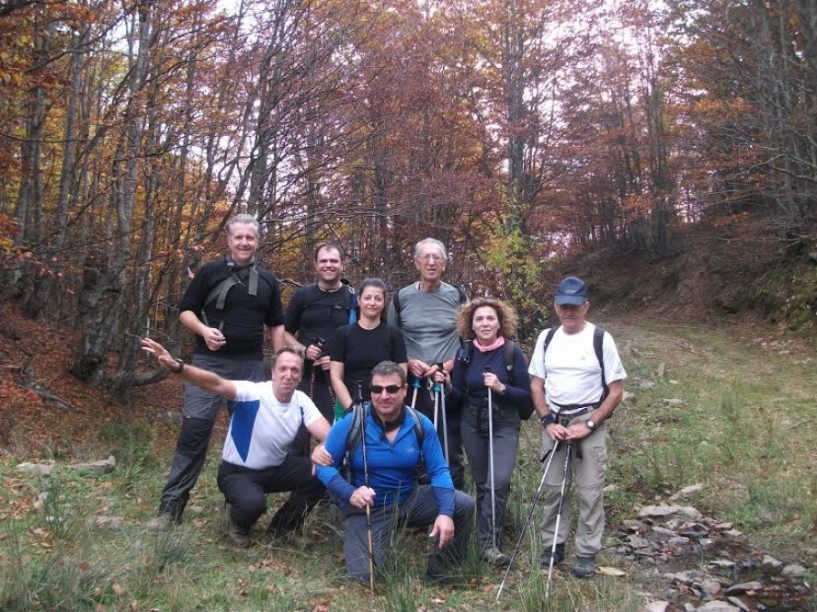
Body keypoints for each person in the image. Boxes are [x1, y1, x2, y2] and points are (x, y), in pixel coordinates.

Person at [149, 214, 286, 528]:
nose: (244, 243)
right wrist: (204, 331)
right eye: (238, 237)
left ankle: (239, 512)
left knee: (245, 441)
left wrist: (279, 361)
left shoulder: (268, 280)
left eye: (249, 238)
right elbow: (185, 311)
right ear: (229, 240)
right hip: (208, 365)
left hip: (250, 368)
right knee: (193, 433)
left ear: (257, 242)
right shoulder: (210, 271)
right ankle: (170, 510)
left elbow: (276, 324)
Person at [141, 338, 330, 547]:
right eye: (283, 369)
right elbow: (215, 382)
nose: (289, 375)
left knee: (323, 471)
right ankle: (238, 526)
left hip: (276, 469)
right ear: (273, 372)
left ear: (301, 375)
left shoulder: (301, 400)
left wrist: (321, 449)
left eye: (295, 370)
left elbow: (327, 435)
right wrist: (178, 367)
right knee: (254, 503)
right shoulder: (253, 392)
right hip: (237, 472)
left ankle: (284, 527)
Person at [314, 361, 475, 583]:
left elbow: (439, 471)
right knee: (365, 578)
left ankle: (441, 571)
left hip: (408, 499)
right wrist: (350, 493)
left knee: (463, 505)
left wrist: (446, 513)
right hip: (367, 508)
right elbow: (324, 466)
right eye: (377, 389)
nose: (384, 395)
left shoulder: (420, 423)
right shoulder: (352, 422)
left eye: (392, 389)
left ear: (405, 390)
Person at [529, 276, 627, 578]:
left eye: (575, 306)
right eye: (563, 306)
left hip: (589, 423)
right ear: (556, 306)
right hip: (555, 424)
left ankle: (586, 551)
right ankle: (553, 544)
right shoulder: (546, 338)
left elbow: (615, 391)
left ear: (586, 306)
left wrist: (590, 423)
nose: (568, 312)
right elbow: (536, 384)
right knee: (555, 489)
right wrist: (546, 421)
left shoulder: (601, 339)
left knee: (589, 491)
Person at [446, 298, 531, 566]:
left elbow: (527, 397)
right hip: (472, 422)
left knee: (499, 481)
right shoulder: (465, 353)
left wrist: (501, 388)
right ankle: (486, 542)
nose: (485, 323)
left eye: (490, 319)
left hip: (503, 422)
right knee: (483, 483)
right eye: (479, 319)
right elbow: (459, 393)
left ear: (500, 322)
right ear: (471, 324)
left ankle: (490, 544)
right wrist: (446, 385)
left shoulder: (511, 352)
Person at [387, 238, 467, 488]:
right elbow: (390, 339)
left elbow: (470, 341)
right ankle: (416, 505)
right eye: (426, 257)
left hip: (447, 381)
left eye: (437, 258)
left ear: (444, 264)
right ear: (416, 263)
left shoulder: (457, 296)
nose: (431, 262)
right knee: (413, 442)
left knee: (449, 445)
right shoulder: (401, 298)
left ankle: (453, 504)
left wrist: (447, 366)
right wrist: (408, 363)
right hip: (413, 384)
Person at [284, 243, 358, 423]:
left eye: (334, 261)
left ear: (343, 264)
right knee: (298, 432)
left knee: (335, 432)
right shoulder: (303, 296)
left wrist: (339, 359)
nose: (328, 265)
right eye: (323, 261)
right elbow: (284, 333)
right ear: (316, 265)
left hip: (340, 379)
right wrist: (303, 350)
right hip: (304, 376)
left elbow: (363, 339)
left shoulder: (354, 298)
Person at [328, 278, 407, 410]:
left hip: (386, 406)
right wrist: (351, 409)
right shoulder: (342, 334)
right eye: (367, 298)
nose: (372, 303)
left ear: (384, 303)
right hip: (350, 406)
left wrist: (387, 405)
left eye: (377, 298)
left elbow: (402, 374)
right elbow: (336, 377)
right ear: (359, 301)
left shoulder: (394, 335)